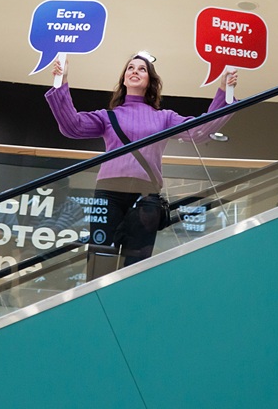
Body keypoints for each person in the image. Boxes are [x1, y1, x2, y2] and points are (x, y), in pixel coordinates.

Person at [45, 52, 238, 278]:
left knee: (136, 267)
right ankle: (95, 310)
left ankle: (126, 311)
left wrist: (224, 92)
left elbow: (199, 131)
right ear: (124, 79)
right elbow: (72, 126)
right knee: (100, 260)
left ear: (150, 81)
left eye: (142, 69)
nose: (134, 71)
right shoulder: (108, 117)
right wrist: (62, 82)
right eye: (130, 68)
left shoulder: (164, 117)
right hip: (109, 194)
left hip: (146, 198)